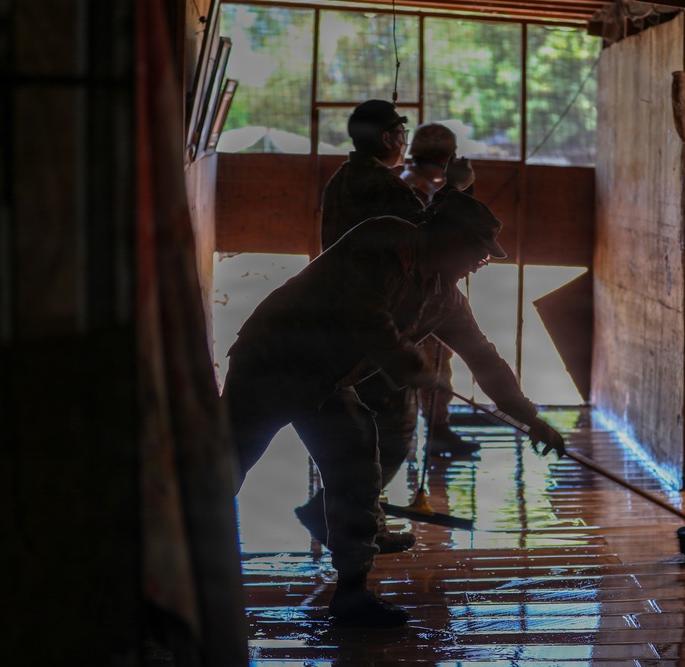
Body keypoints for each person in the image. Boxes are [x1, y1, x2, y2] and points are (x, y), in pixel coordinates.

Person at [221, 191, 566, 627]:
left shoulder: (444, 297)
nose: (480, 263)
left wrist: (531, 419)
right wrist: (409, 361)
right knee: (223, 467)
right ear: (449, 237)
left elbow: (484, 358)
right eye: (477, 251)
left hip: (325, 382)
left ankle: (352, 594)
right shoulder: (386, 238)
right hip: (271, 362)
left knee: (358, 469)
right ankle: (175, 568)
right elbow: (365, 312)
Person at [291, 102, 474, 562]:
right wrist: (456, 191)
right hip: (374, 319)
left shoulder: (344, 178)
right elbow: (430, 234)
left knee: (364, 435)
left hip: (348, 315)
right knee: (390, 432)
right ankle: (342, 521)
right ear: (391, 138)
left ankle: (358, 521)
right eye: (401, 133)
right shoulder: (385, 187)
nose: (405, 142)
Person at [400, 122, 478, 456]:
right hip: (419, 292)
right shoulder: (416, 189)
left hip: (420, 289)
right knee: (432, 362)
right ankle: (435, 430)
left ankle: (436, 428)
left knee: (436, 360)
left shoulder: (416, 183)